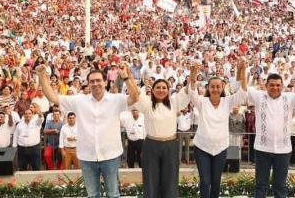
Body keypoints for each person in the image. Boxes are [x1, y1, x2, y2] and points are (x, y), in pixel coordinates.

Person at [38, 63, 138, 198]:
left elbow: (135, 97)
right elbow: (53, 98)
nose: (95, 83)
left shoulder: (116, 99)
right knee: (92, 194)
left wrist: (126, 77)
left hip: (110, 156)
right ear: (88, 84)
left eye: (98, 80)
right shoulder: (79, 100)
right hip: (87, 157)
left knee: (113, 194)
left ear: (105, 81)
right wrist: (41, 76)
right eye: (92, 81)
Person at [246, 67, 295, 198]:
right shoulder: (259, 96)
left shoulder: (290, 97)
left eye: (278, 85)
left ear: (282, 86)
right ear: (266, 86)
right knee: (261, 185)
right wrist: (241, 71)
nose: (275, 88)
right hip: (262, 149)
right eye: (272, 85)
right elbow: (243, 90)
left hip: (283, 150)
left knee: (280, 186)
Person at [188, 59, 247, 198]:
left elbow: (243, 93)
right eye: (212, 86)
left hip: (220, 147)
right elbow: (191, 91)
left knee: (216, 181)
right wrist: (194, 74)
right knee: (205, 180)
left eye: (218, 87)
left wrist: (242, 71)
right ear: (208, 88)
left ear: (222, 88)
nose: (215, 89)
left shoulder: (228, 102)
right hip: (202, 147)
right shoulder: (202, 101)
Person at [129, 69, 189, 198]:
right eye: (158, 87)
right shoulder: (147, 104)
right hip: (151, 145)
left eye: (164, 88)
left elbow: (188, 91)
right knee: (150, 181)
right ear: (153, 90)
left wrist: (194, 74)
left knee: (171, 181)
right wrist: (127, 77)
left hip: (171, 145)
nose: (161, 90)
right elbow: (135, 93)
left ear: (168, 90)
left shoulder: (174, 102)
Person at [13, 106, 45, 171]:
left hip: (34, 148)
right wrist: (14, 147)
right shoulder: (19, 124)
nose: (28, 115)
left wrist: (39, 112)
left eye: (29, 113)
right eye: (26, 114)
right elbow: (16, 135)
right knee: (22, 167)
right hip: (21, 149)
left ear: (32, 115)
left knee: (36, 167)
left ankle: (37, 181)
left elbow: (41, 118)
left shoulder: (36, 123)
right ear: (24, 115)